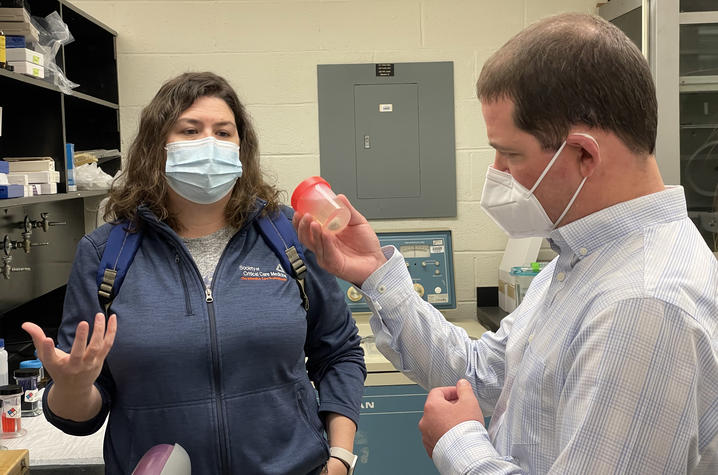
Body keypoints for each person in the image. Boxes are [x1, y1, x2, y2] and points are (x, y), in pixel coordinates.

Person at [294, 13, 718, 474]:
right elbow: (482, 373)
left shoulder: (642, 302)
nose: (497, 174)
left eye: (511, 154)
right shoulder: (582, 260)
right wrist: (377, 274)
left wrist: (460, 444)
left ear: (583, 154)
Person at [22, 72, 366, 475]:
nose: (209, 144)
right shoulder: (105, 254)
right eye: (190, 130)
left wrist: (340, 458)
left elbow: (339, 353)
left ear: (241, 148)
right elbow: (79, 413)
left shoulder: (288, 235)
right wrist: (73, 386)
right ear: (158, 147)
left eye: (224, 133)